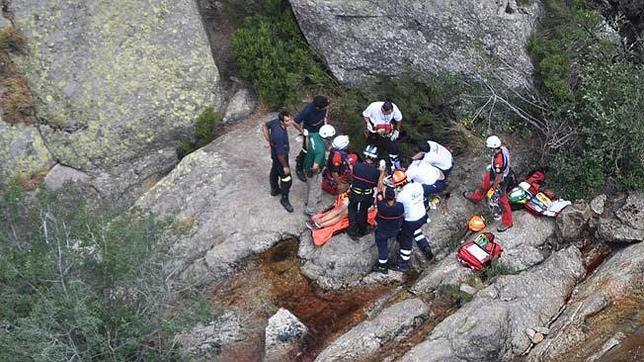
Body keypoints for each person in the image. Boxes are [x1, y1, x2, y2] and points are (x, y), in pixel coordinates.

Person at [463, 135, 514, 232]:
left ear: (493, 148)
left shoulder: (499, 161)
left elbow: (499, 176)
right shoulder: (503, 148)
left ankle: (508, 222)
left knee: (502, 200)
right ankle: (476, 197)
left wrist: (495, 187)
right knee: (485, 184)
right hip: (494, 173)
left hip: (500, 179)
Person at [392, 169, 433, 272]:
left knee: (406, 239)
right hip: (422, 215)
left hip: (411, 220)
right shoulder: (417, 185)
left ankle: (402, 264)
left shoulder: (401, 195)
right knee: (417, 230)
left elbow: (399, 209)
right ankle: (426, 247)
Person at [347, 145, 385, 239]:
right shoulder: (375, 172)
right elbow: (379, 187)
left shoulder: (356, 166)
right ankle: (362, 230)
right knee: (363, 212)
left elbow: (351, 177)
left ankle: (352, 230)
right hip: (367, 195)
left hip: (354, 193)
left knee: (352, 209)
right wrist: (382, 173)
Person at [261, 110, 294, 212]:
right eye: (287, 121)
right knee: (287, 179)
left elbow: (264, 126)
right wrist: (285, 166)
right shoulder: (279, 135)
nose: (290, 122)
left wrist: (269, 140)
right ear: (281, 122)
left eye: (290, 119)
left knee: (274, 169)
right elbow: (280, 155)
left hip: (275, 154)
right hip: (281, 157)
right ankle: (284, 200)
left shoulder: (275, 122)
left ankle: (274, 190)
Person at [293, 96, 331, 182]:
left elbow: (326, 110)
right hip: (310, 132)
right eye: (325, 106)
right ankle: (299, 167)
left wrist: (325, 121)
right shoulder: (308, 111)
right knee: (306, 150)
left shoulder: (324, 104)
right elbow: (295, 122)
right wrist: (303, 132)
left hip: (320, 131)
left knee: (320, 147)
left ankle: (317, 160)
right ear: (318, 107)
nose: (327, 107)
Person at [304, 124, 335, 215]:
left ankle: (316, 198)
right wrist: (316, 172)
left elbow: (306, 136)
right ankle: (310, 210)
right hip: (312, 170)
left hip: (306, 164)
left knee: (314, 185)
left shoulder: (315, 135)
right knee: (313, 188)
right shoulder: (320, 150)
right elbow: (315, 166)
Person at [372, 187, 404, 274]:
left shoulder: (382, 206)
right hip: (395, 230)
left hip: (382, 232)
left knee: (383, 248)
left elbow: (378, 195)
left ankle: (382, 267)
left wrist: (381, 192)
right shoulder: (400, 206)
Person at [362, 100, 403, 169]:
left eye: (390, 113)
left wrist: (397, 130)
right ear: (382, 110)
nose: (388, 114)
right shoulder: (373, 107)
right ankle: (369, 163)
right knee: (371, 145)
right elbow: (365, 115)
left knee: (392, 147)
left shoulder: (394, 109)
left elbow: (399, 119)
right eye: (387, 113)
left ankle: (394, 164)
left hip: (387, 131)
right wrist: (368, 123)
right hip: (374, 129)